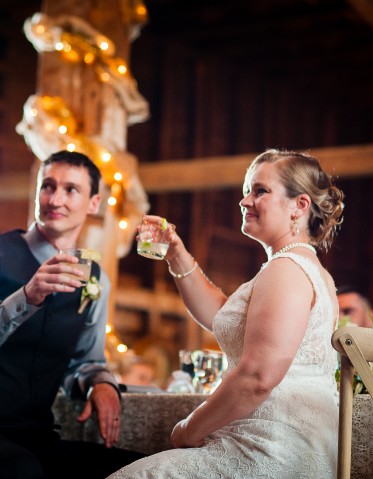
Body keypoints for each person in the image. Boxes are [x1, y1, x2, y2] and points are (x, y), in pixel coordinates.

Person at [109, 148, 345, 478]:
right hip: (289, 446)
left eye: (260, 191)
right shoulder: (305, 269)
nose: (245, 201)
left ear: (299, 205)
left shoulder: (286, 270)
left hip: (269, 450)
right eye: (246, 191)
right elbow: (221, 313)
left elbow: (256, 379)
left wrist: (188, 430)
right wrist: (177, 253)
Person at [0, 150, 144, 479]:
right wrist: (25, 297)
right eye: (47, 186)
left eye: (71, 189)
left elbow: (85, 361)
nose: (55, 198)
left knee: (137, 469)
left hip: (32, 437)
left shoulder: (95, 280)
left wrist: (101, 383)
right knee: (19, 471)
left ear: (93, 204)